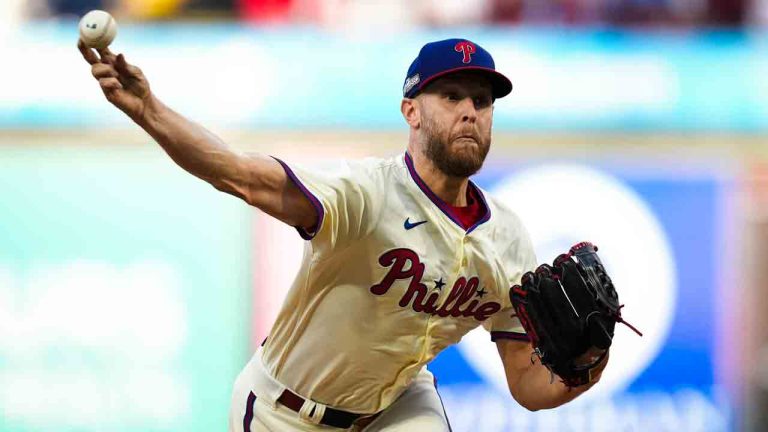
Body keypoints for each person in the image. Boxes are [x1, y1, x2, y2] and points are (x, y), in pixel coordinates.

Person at [78, 37, 609, 431]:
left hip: (396, 408)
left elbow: (527, 384)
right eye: (451, 96)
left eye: (482, 101)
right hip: (284, 410)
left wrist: (587, 366)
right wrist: (150, 111)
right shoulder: (365, 195)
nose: (470, 111)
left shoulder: (508, 239)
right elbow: (237, 174)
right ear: (412, 112)